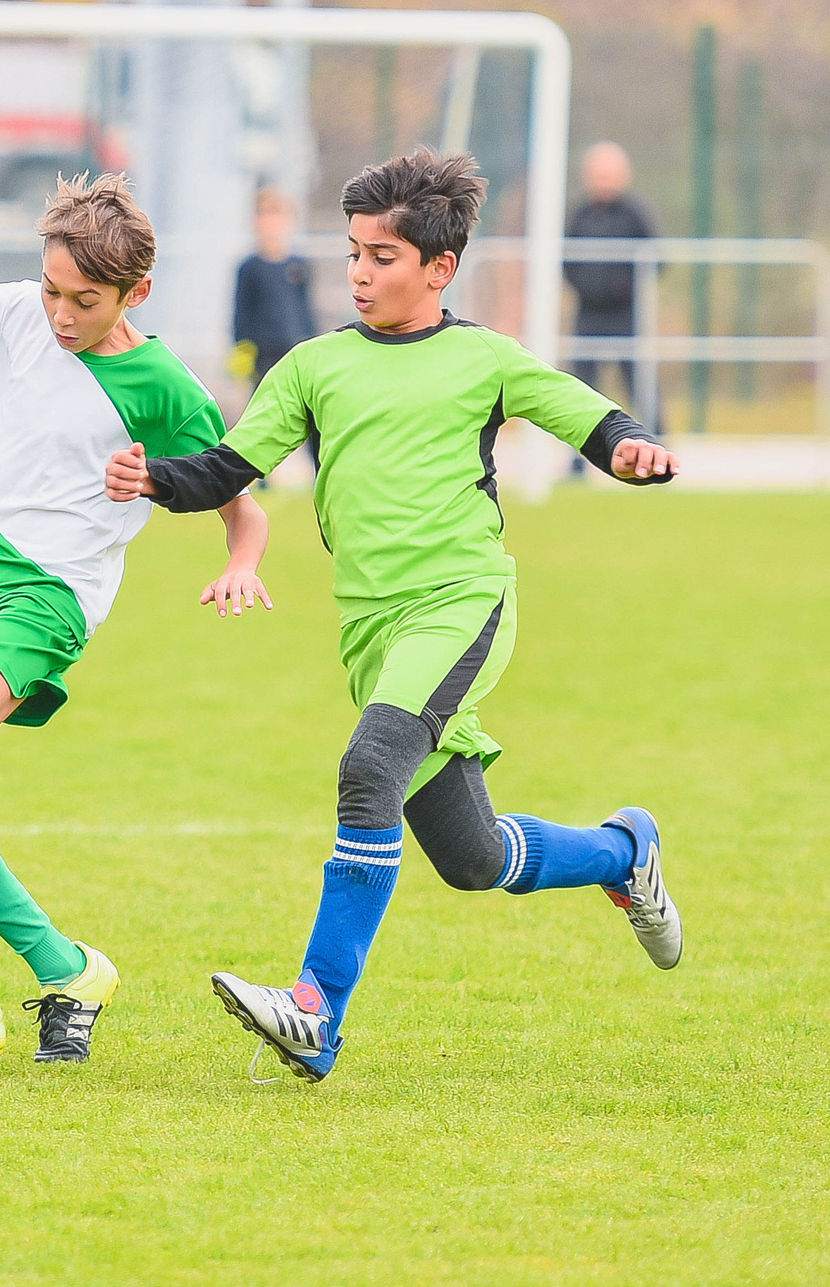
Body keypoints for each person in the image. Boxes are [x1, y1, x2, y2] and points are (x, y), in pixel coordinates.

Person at [105, 148, 686, 1084]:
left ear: (439, 269)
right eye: (353, 253)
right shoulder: (313, 367)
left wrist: (628, 452)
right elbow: (224, 471)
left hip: (460, 603)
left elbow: (589, 417)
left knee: (368, 768)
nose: (361, 274)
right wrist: (151, 479)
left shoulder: (483, 358)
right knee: (471, 855)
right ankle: (625, 851)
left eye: (383, 256)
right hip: (372, 630)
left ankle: (314, 1010)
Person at [0, 175, 273, 1060]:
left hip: (51, 592)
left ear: (136, 293)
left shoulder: (162, 384)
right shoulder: (18, 313)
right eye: (53, 290)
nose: (60, 313)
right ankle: (69, 966)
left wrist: (240, 563)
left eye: (85, 301)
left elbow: (240, 500)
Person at [231, 186, 321, 474]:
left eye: (277, 215)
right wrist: (241, 350)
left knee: (312, 415)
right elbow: (240, 313)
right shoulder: (249, 268)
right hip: (263, 355)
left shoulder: (299, 265)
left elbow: (307, 311)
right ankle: (258, 475)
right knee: (263, 417)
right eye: (265, 216)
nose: (271, 223)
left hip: (297, 350)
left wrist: (316, 345)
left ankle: (321, 469)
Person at [564, 140, 653, 409]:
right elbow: (565, 258)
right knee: (581, 382)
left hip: (625, 312)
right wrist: (582, 285)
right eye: (598, 175)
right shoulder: (579, 215)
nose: (603, 181)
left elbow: (655, 257)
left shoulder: (635, 214)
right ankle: (580, 448)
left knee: (639, 379)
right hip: (588, 310)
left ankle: (657, 439)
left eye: (608, 175)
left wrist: (625, 287)